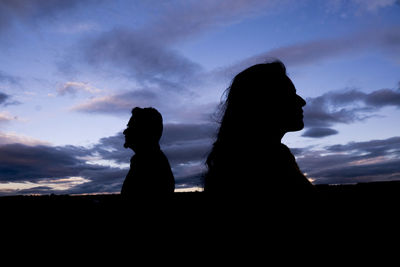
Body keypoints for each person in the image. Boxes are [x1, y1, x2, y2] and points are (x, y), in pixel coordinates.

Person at [204, 60, 317, 204]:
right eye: (289, 94)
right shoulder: (264, 164)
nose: (302, 101)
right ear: (263, 102)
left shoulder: (237, 159)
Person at [121, 107, 175, 201]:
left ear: (144, 131)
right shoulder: (144, 160)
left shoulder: (151, 163)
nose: (124, 132)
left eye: (130, 127)